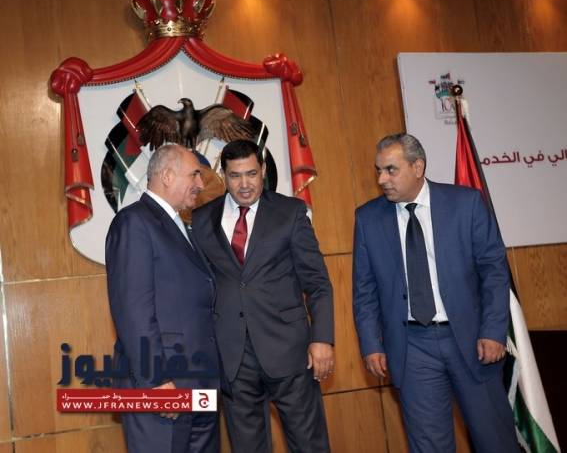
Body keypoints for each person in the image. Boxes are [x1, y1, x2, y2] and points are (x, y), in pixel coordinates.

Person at [353, 133, 519, 452]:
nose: (382, 179)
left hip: (472, 340)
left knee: (495, 440)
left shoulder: (465, 203)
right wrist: (371, 343)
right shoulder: (368, 218)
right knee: (429, 446)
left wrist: (493, 331)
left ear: (417, 167)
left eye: (390, 170)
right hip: (412, 347)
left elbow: (494, 271)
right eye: (378, 171)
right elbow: (364, 289)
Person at [192, 139, 334, 453]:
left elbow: (318, 282)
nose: (244, 184)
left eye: (251, 174)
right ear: (223, 175)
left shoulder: (290, 212)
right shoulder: (201, 220)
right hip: (233, 359)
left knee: (309, 445)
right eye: (235, 175)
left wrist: (322, 339)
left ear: (264, 170)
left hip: (291, 352)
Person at [106, 144, 221, 453]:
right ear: (168, 176)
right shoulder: (134, 222)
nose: (201, 183)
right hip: (162, 386)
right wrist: (156, 381)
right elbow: (133, 310)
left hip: (200, 384)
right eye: (194, 174)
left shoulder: (184, 227)